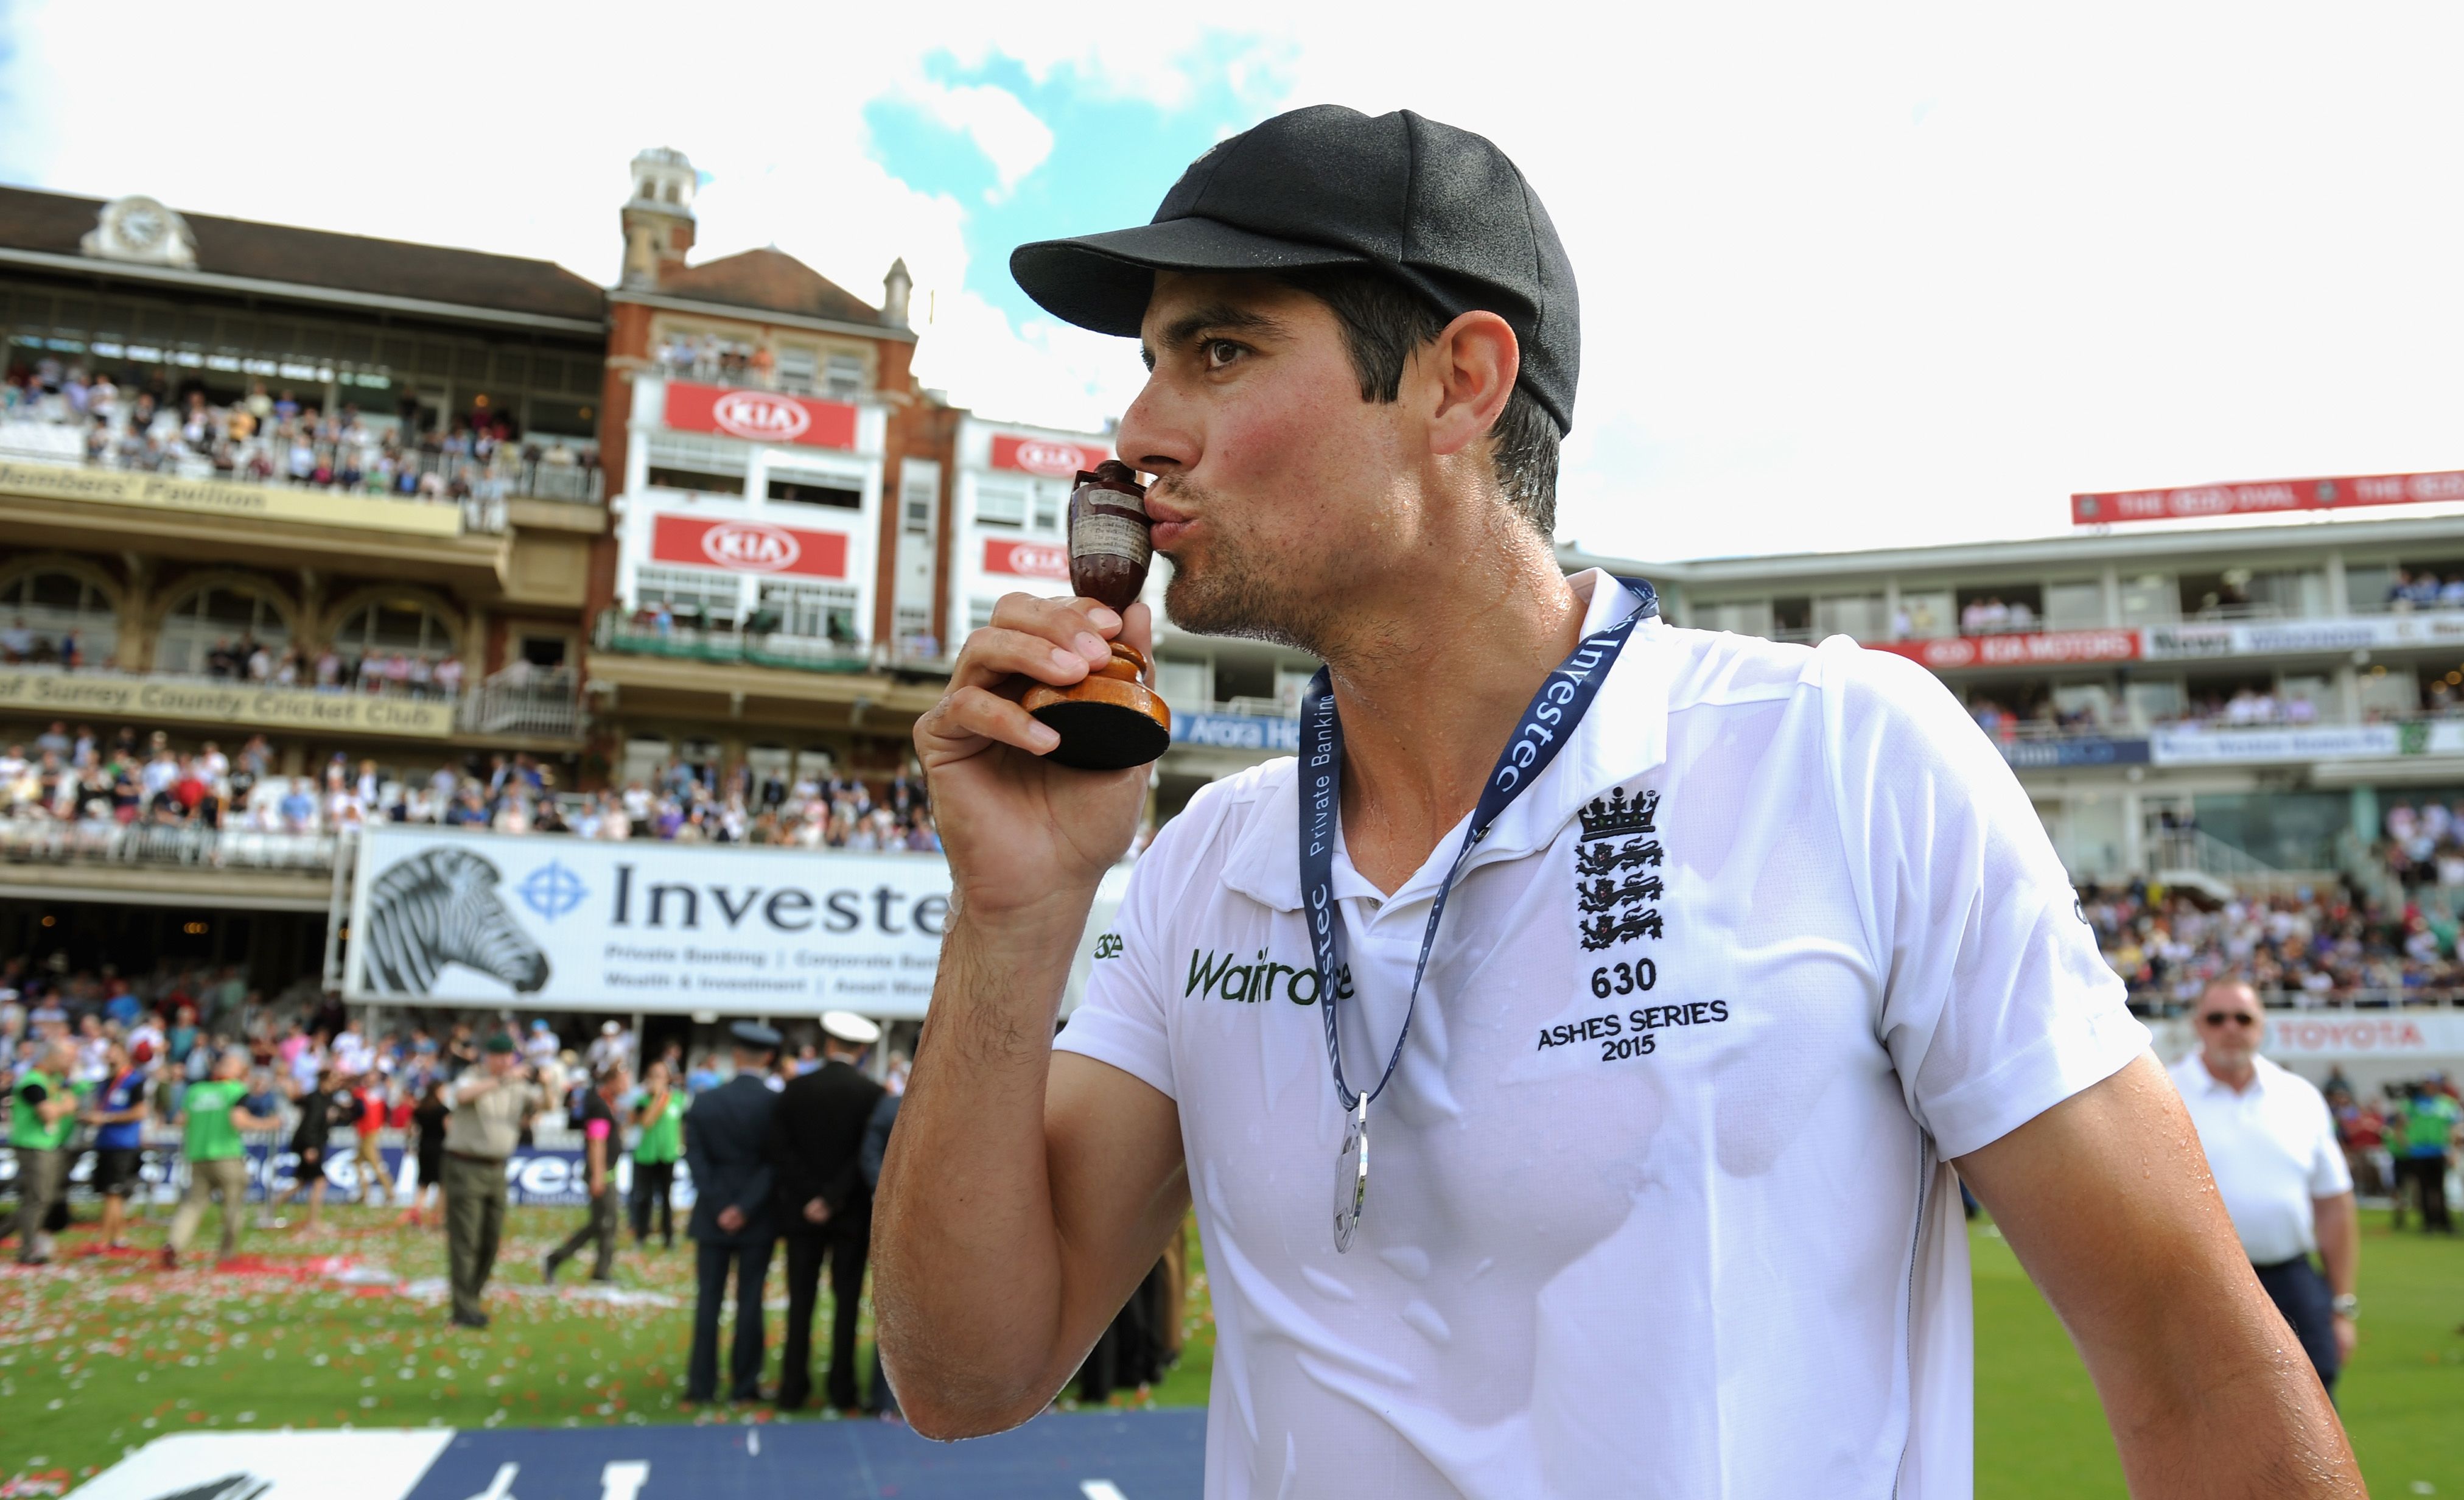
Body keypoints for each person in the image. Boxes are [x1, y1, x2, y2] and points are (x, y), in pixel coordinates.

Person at [873, 103, 2363, 1495]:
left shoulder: (1837, 759)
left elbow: (2190, 1355)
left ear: (1460, 381)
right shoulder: (1212, 857)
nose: (1139, 429)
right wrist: (1014, 915)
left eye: (1216, 353)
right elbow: (964, 1374)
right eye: (1148, 362)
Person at [2168, 980, 2358, 1397]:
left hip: (2292, 1275)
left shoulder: (2299, 1096)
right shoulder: (2165, 1095)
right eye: (2218, 1019)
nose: (2231, 1028)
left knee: (2316, 1404)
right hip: (2202, 1285)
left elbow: (2333, 1205)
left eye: (2243, 1018)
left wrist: (2342, 1305)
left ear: (2261, 1026)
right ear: (2199, 1025)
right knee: (2212, 1411)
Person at [769, 1011, 886, 1412]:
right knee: (846, 1303)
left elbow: (782, 1152)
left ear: (830, 1045)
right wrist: (834, 1197)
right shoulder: (872, 1094)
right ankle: (842, 1388)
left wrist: (810, 1198)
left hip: (802, 1216)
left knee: (800, 1302)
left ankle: (793, 1389)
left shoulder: (796, 1089)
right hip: (849, 1214)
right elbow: (865, 1156)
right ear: (862, 1050)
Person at [683, 1021, 782, 1403]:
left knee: (708, 1302)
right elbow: (774, 1164)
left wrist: (720, 1205)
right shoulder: (774, 1105)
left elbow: (696, 1158)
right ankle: (745, 1385)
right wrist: (744, 1207)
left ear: (736, 1055)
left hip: (712, 1213)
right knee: (750, 1301)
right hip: (756, 1216)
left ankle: (701, 1386)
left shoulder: (706, 1101)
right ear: (769, 1057)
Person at [440, 1032, 545, 1329]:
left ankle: (471, 1297)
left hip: (497, 1168)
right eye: (501, 1056)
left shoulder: (517, 1084)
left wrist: (547, 1085)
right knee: (466, 1239)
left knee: (490, 1239)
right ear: (491, 1057)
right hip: (466, 1165)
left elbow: (542, 1106)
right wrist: (502, 1079)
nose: (506, 1062)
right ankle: (464, 1308)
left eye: (510, 1056)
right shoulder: (472, 1076)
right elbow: (460, 1096)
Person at [164, 1048, 276, 1267]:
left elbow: (180, 1119)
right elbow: (239, 1120)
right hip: (227, 1154)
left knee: (193, 1205)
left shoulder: (196, 1091)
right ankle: (227, 1253)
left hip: (197, 1155)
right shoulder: (236, 1090)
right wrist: (268, 1124)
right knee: (233, 1207)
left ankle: (174, 1243)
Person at [544, 1063, 628, 1286]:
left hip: (607, 1170)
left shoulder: (608, 1104)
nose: (627, 1084)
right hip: (601, 1171)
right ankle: (558, 1258)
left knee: (605, 1223)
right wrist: (598, 1175)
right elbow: (596, 1142)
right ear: (613, 1081)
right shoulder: (599, 1106)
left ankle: (601, 1269)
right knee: (604, 1222)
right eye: (624, 1079)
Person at [9, 1039, 79, 1264]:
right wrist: (64, 1108)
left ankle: (27, 1244)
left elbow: (72, 1102)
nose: (71, 1062)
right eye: (67, 1057)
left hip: (48, 1145)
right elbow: (48, 1113)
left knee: (41, 1198)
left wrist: (63, 1107)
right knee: (38, 1198)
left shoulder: (55, 1080)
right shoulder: (33, 1082)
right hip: (33, 1146)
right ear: (53, 1055)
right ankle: (28, 1251)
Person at [859, 1081, 903, 1420]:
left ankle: (885, 1397)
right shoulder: (891, 1106)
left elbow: (870, 1155)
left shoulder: (890, 1106)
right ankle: (886, 1395)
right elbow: (870, 1154)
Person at [86, 1039, 150, 1250]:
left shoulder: (134, 1080)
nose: (109, 1056)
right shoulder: (106, 1082)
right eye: (108, 1053)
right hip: (106, 1141)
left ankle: (104, 1238)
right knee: (111, 1192)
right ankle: (119, 1237)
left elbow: (140, 1112)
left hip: (123, 1143)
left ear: (124, 1054)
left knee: (113, 1191)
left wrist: (105, 1118)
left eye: (114, 1052)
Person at [272, 1065, 347, 1232]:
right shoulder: (315, 1099)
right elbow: (310, 1125)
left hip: (317, 1144)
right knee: (320, 1181)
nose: (335, 1084)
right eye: (332, 1080)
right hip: (309, 1145)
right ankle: (313, 1223)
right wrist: (310, 1147)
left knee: (301, 1182)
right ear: (323, 1081)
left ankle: (270, 1208)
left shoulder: (329, 1099)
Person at [629, 1059, 684, 1249]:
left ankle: (669, 1237)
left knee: (667, 1198)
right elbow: (645, 1122)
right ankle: (641, 1235)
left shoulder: (678, 1099)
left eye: (660, 1075)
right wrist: (657, 1099)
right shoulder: (642, 1101)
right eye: (653, 1075)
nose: (657, 1079)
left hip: (668, 1154)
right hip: (646, 1154)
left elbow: (682, 1125)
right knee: (645, 1197)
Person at [2393, 1080, 2459, 1232]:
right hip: (2419, 1152)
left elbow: (2452, 1127)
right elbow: (2400, 1126)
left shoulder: (2445, 1103)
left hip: (2438, 1150)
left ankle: (2444, 1221)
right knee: (2423, 1189)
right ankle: (2428, 1222)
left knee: (2440, 1188)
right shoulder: (2412, 1104)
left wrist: (2452, 1150)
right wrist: (2405, 1145)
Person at [407, 1077, 449, 1228]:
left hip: (424, 1148)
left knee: (423, 1184)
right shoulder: (443, 1110)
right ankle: (438, 1217)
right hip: (440, 1149)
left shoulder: (420, 1109)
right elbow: (449, 1129)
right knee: (443, 1185)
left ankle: (416, 1214)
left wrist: (409, 1143)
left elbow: (411, 1129)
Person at [350, 1071, 391, 1208]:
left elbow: (360, 1112)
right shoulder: (369, 1094)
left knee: (374, 1162)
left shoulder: (373, 1094)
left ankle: (388, 1191)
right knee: (358, 1162)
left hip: (370, 1132)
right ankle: (365, 1192)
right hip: (364, 1132)